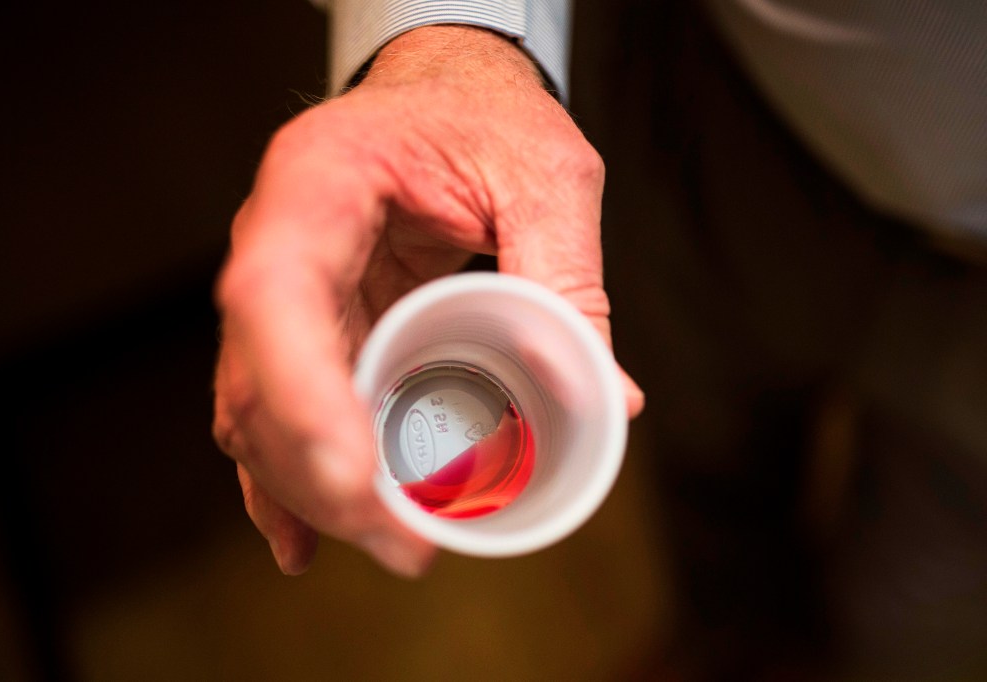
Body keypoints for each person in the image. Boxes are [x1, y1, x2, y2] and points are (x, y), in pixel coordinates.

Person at [213, 1, 987, 676]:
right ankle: (732, 653)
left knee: (920, 608)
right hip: (730, 102)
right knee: (702, 457)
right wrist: (446, 36)